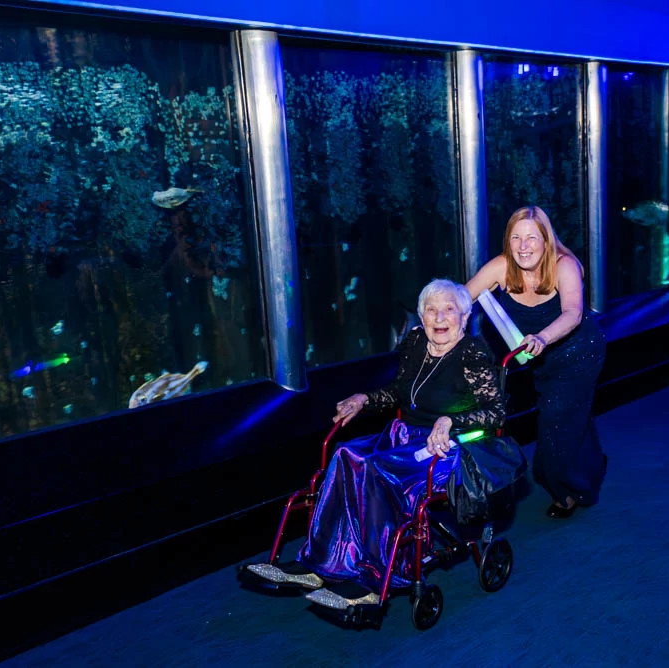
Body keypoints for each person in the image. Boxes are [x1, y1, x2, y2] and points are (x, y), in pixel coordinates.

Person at [246, 279, 506, 607]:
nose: (440, 318)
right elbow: (399, 391)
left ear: (464, 317)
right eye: (431, 310)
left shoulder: (472, 352)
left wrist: (451, 421)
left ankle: (373, 578)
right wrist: (364, 400)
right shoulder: (415, 342)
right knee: (345, 454)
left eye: (449, 310)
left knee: (376, 470)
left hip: (445, 449)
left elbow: (496, 412)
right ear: (422, 317)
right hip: (403, 437)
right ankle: (319, 563)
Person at [466, 205, 606, 519]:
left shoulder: (564, 265)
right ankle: (592, 464)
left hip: (578, 353)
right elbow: (463, 297)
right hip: (540, 360)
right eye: (516, 237)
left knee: (554, 424)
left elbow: (573, 313)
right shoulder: (502, 267)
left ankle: (566, 492)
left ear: (546, 240)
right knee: (572, 416)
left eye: (531, 237)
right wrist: (435, 314)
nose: (523, 245)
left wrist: (542, 337)